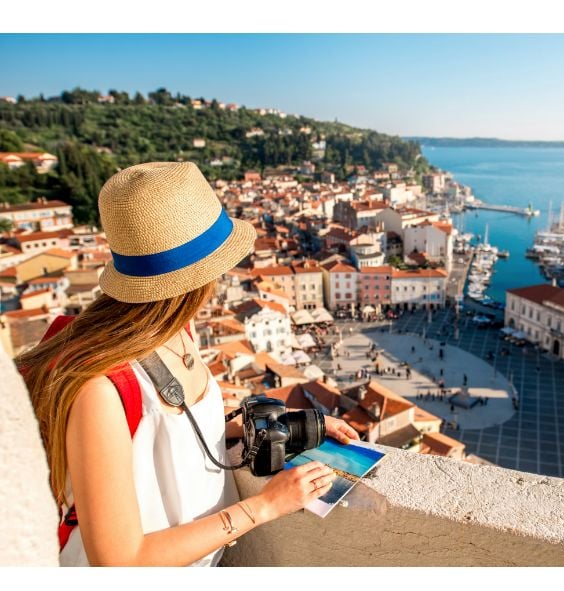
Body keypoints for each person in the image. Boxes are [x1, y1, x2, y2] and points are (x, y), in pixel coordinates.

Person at [16, 163, 359, 567]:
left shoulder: (181, 330)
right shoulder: (100, 389)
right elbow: (119, 562)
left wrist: (290, 426)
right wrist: (266, 507)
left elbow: (168, 431)